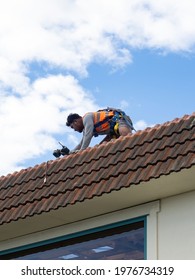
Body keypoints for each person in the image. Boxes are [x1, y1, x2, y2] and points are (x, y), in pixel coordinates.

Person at [66, 107, 134, 153]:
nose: (74, 130)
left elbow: (88, 136)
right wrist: (70, 153)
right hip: (112, 132)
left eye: (72, 127)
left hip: (120, 121)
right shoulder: (86, 129)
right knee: (101, 149)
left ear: (75, 121)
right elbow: (81, 144)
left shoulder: (87, 117)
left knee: (127, 139)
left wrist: (82, 151)